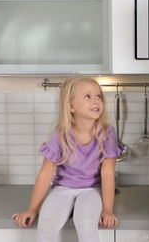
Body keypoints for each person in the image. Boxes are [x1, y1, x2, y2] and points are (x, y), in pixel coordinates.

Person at [12, 77, 121, 242]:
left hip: (92, 189)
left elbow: (107, 173)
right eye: (88, 96)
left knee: (85, 223)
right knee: (47, 225)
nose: (96, 101)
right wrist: (32, 209)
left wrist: (107, 209)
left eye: (98, 96)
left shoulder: (107, 133)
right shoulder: (61, 134)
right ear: (71, 106)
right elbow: (45, 173)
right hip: (63, 188)